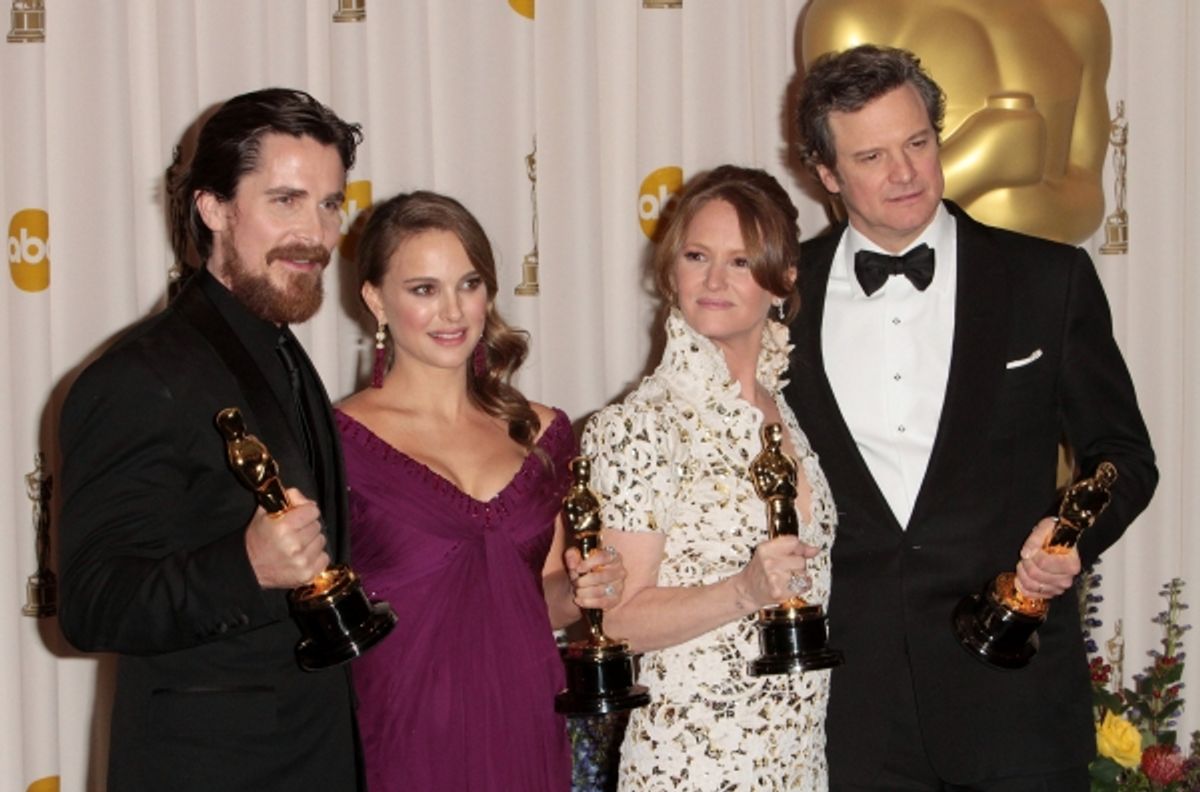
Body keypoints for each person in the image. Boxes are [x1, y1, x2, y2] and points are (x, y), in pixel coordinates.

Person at [787, 45, 1157, 790]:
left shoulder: (1047, 278)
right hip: (852, 709)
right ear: (826, 175)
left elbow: (1122, 453)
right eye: (872, 155)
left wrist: (1070, 535)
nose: (905, 172)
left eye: (918, 142)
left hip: (1012, 691)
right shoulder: (781, 297)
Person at [58, 88, 366, 791]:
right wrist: (245, 565)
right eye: (284, 201)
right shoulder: (139, 375)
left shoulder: (282, 351)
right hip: (210, 769)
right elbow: (90, 602)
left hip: (316, 754)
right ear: (213, 208)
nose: (316, 234)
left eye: (329, 204)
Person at [335, 190, 625, 791]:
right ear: (374, 299)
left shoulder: (542, 433)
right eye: (423, 289)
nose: (452, 312)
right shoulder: (337, 442)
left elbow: (541, 599)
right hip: (400, 732)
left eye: (468, 284)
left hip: (524, 719)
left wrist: (582, 589)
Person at [580, 165, 837, 791]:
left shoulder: (787, 414)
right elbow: (616, 620)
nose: (715, 280)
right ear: (672, 270)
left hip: (799, 763)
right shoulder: (639, 425)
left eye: (742, 261)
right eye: (698, 256)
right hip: (691, 767)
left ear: (784, 279)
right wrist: (743, 592)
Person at [801, 0, 1113, 244]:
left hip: (1045, 296)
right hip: (904, 291)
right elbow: (850, 196)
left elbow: (1089, 200)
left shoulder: (1077, 14)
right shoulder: (851, 15)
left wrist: (1032, 241)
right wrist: (982, 159)